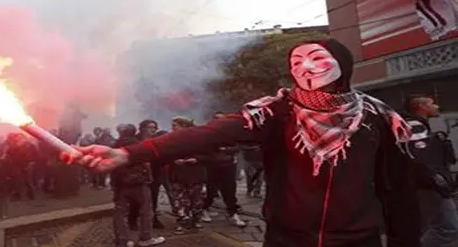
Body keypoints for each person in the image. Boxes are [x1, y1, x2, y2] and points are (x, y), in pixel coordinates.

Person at [76, 38, 421, 247]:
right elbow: (209, 134)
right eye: (297, 61)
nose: (305, 68)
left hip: (358, 241)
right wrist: (127, 153)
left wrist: (406, 241)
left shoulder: (380, 118)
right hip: (287, 240)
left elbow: (400, 190)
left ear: (342, 67)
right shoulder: (276, 112)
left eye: (316, 59)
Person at [403, 96, 458, 247]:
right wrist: (438, 180)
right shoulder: (414, 126)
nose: (437, 106)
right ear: (421, 107)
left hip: (424, 184)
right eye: (432, 103)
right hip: (429, 186)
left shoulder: (419, 125)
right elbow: (420, 159)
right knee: (448, 228)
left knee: (427, 226)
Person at [110, 124, 165, 247]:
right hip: (138, 182)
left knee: (120, 213)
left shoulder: (114, 144)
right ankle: (146, 237)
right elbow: (145, 163)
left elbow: (111, 165)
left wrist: (113, 183)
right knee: (146, 210)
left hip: (120, 184)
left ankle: (122, 241)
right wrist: (149, 178)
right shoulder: (138, 144)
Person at [200, 112, 246, 227]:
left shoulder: (230, 134)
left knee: (230, 190)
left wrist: (226, 149)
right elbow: (204, 149)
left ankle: (233, 214)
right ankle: (204, 209)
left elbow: (238, 147)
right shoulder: (208, 133)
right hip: (212, 165)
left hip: (228, 164)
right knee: (211, 190)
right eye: (217, 119)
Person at [168, 116, 206, 234]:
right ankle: (182, 222)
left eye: (175, 126)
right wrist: (172, 160)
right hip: (178, 176)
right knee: (180, 201)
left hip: (195, 175)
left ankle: (196, 222)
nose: (172, 128)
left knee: (197, 201)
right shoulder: (171, 140)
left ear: (184, 126)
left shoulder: (199, 139)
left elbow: (209, 155)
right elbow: (166, 155)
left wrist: (196, 159)